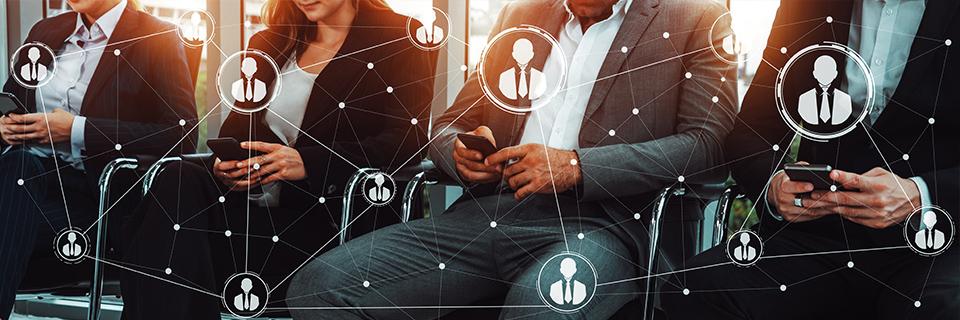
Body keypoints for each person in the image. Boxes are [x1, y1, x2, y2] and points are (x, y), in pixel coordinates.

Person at [285, 0, 737, 319]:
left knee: (543, 308)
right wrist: (459, 152)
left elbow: (707, 143)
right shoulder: (520, 15)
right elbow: (451, 123)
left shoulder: (696, 16)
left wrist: (576, 167)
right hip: (488, 214)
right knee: (320, 288)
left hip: (606, 224)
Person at [119, 0, 437, 318]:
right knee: (176, 181)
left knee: (164, 245)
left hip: (328, 222)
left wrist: (308, 163)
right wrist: (226, 164)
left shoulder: (399, 37)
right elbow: (237, 129)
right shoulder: (269, 42)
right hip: (251, 211)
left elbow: (409, 138)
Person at [662, 0, 960, 319]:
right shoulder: (806, 6)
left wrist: (922, 195)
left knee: (938, 309)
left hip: (943, 243)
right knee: (695, 289)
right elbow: (753, 129)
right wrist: (774, 183)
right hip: (821, 237)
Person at [0, 0, 197, 317]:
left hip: (95, 196)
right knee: (18, 166)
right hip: (26, 179)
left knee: (15, 184)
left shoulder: (156, 36)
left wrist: (77, 130)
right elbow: (12, 100)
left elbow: (182, 133)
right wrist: (5, 126)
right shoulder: (46, 30)